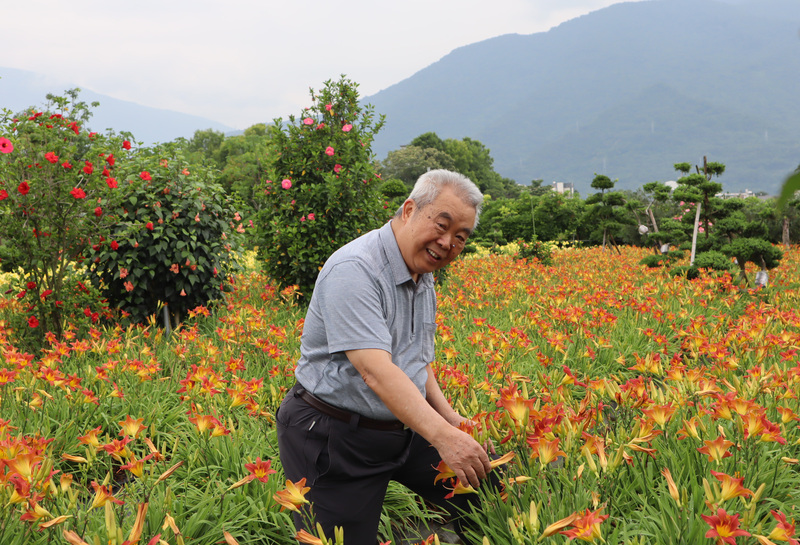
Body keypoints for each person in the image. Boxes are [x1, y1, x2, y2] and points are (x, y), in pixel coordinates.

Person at [276, 169, 494, 545]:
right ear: (409, 210)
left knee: (488, 494)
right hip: (333, 434)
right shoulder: (355, 269)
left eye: (460, 237)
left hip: (401, 428)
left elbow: (415, 362)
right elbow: (375, 371)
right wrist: (444, 436)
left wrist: (451, 420)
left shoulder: (422, 276)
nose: (447, 243)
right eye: (441, 226)